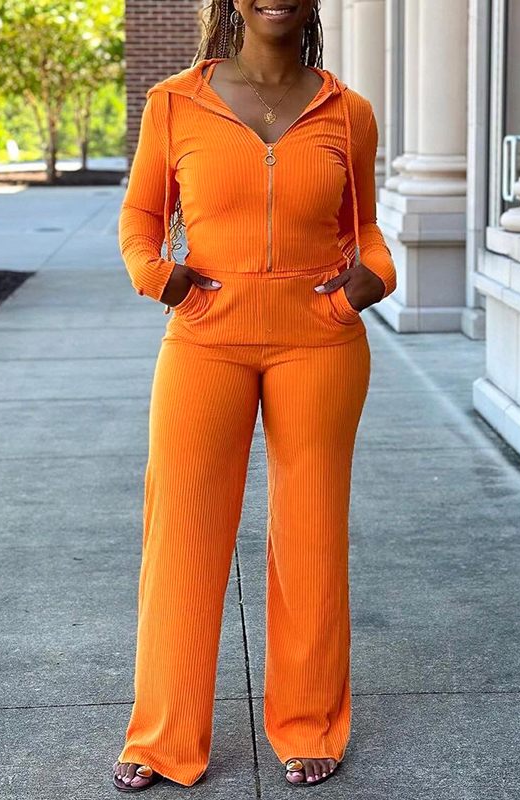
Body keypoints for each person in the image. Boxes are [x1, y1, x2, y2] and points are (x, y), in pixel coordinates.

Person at [112, 0, 397, 792]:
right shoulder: (174, 102)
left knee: (310, 537)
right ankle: (164, 736)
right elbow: (139, 216)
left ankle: (308, 721)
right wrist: (160, 278)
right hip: (206, 338)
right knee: (182, 537)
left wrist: (375, 278)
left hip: (320, 341)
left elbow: (365, 229)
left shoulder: (348, 112)